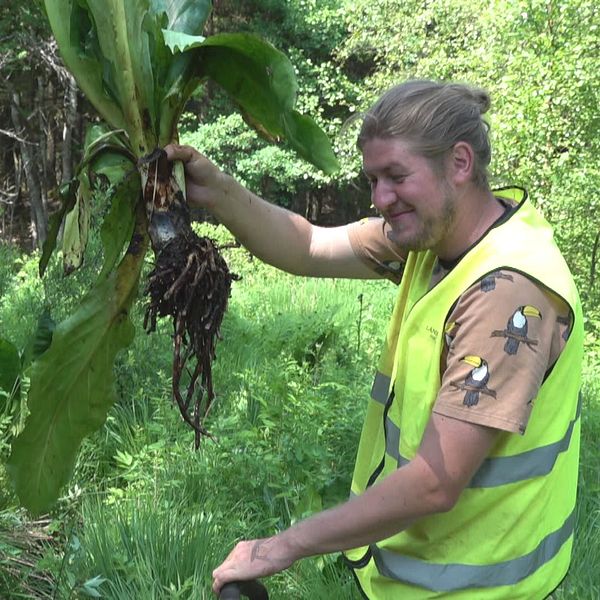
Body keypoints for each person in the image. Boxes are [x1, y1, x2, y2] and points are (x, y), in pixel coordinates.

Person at [165, 80, 583, 599]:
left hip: (480, 587)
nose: (380, 198)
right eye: (373, 179)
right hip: (418, 575)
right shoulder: (432, 237)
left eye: (396, 176)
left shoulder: (509, 292)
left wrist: (281, 547)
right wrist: (216, 190)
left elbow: (435, 481)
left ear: (459, 163)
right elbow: (310, 246)